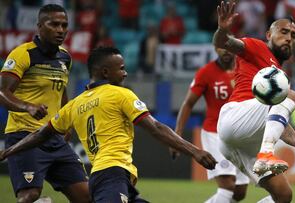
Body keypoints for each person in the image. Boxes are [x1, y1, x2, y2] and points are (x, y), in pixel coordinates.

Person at [0, 46, 217, 203]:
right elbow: (156, 128)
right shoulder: (120, 94)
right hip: (111, 174)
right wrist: (195, 151)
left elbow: (41, 134)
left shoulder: (75, 104)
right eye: (121, 68)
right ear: (105, 72)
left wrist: (10, 150)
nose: (125, 73)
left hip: (108, 177)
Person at [213, 1, 295, 202]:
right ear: (269, 35)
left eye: (293, 36)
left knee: (283, 195)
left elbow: (276, 122)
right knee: (291, 95)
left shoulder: (281, 76)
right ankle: (266, 155)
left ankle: (265, 155)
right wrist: (222, 30)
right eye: (284, 32)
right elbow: (222, 42)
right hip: (236, 117)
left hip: (240, 142)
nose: (289, 38)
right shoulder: (256, 46)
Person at [0, 4, 90, 203]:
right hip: (24, 135)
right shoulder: (22, 54)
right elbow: (3, 92)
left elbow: (61, 91)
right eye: (54, 24)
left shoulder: (65, 57)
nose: (60, 30)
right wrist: (28, 107)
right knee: (30, 195)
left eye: (64, 25)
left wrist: (66, 122)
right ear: (39, 26)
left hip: (53, 136)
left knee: (86, 197)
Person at [174, 48, 250, 203]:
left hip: (240, 136)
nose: (226, 51)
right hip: (215, 134)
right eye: (222, 47)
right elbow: (188, 103)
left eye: (229, 46)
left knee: (239, 192)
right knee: (227, 186)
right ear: (216, 48)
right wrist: (177, 136)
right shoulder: (206, 72)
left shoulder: (244, 69)